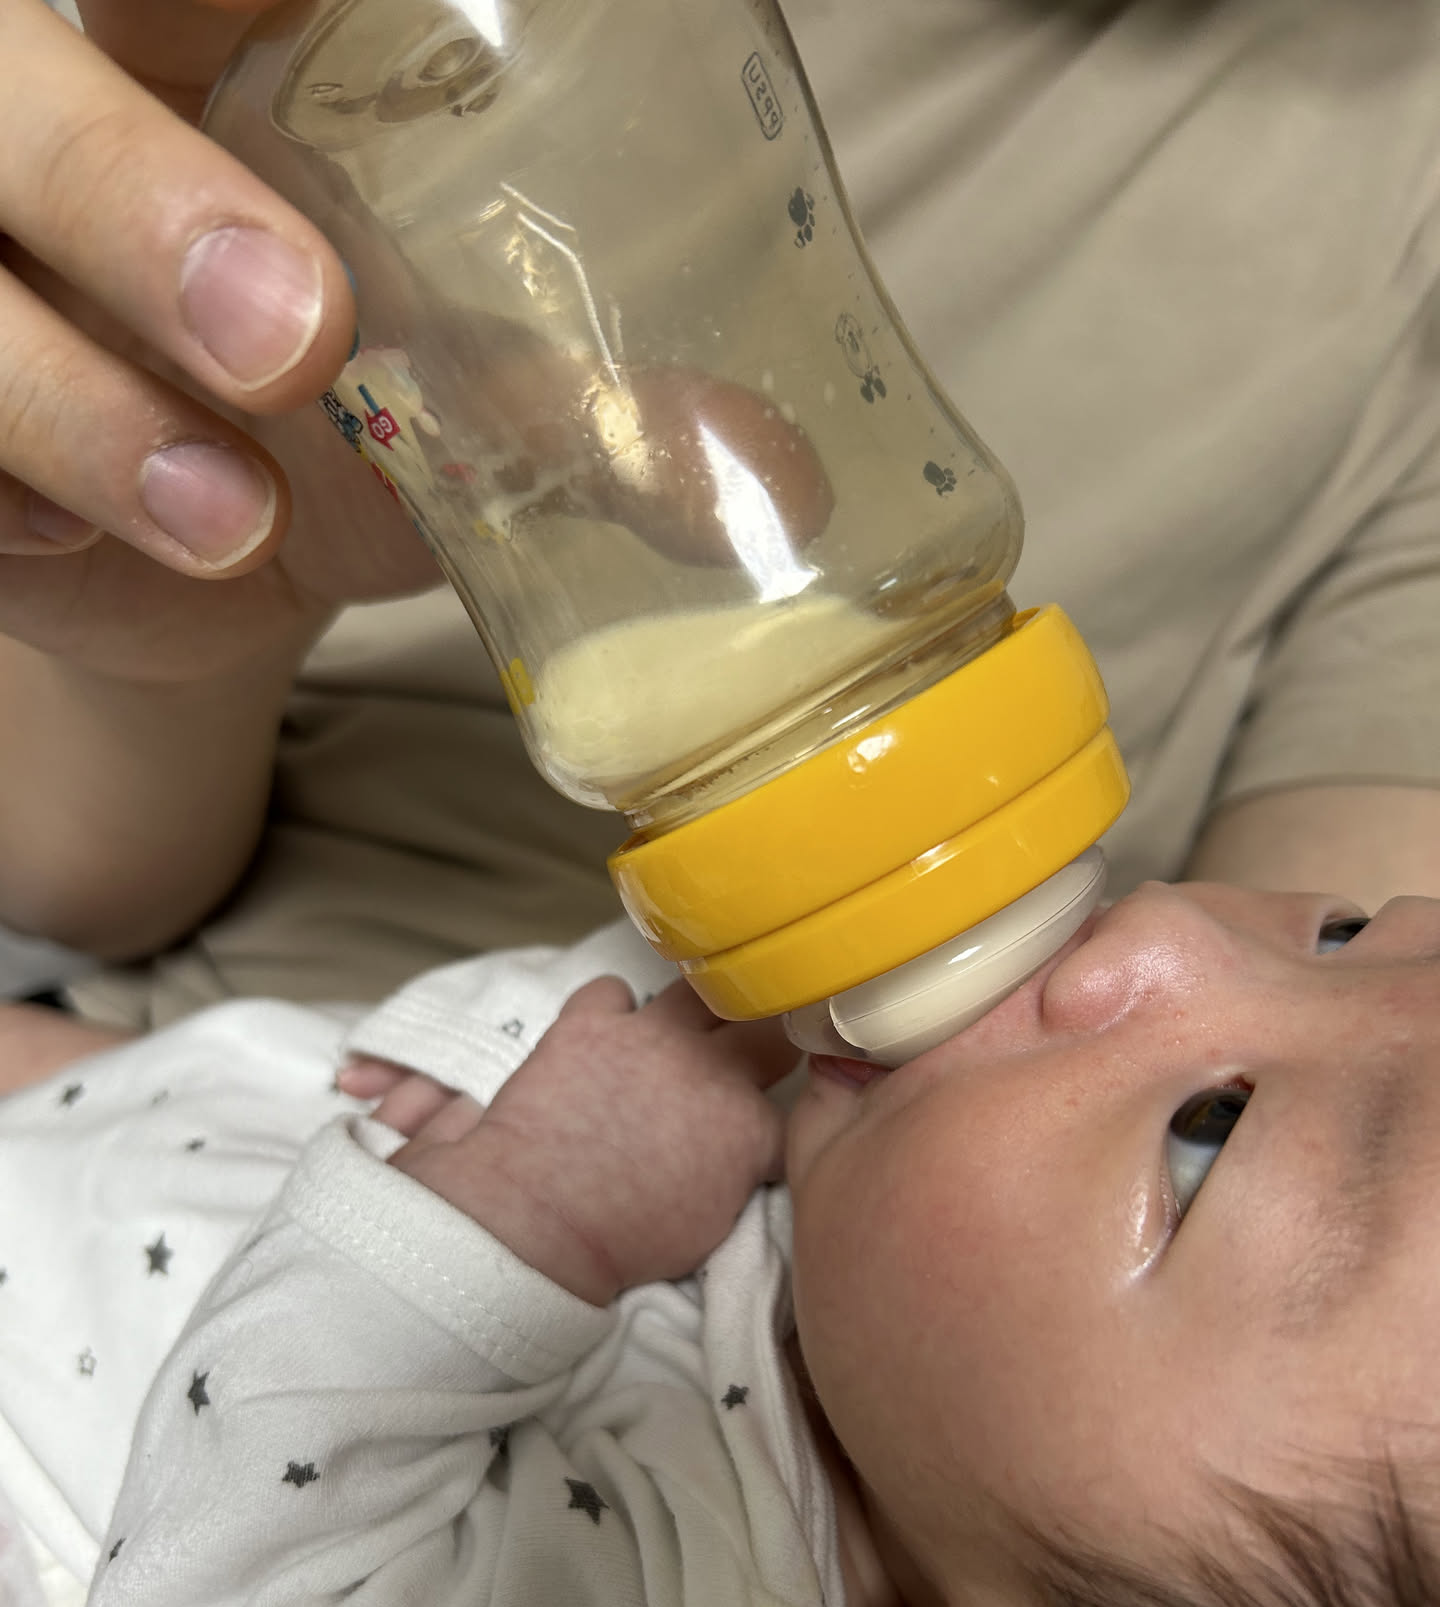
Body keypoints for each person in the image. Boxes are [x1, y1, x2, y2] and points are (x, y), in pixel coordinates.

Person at [2, 0, 1440, 1041]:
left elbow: (1263, 1170)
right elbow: (79, 883)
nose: (1144, 976)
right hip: (156, 1050)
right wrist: (179, 632)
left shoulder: (1401, 236)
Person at [0, 879, 1413, 1607]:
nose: (1162, 925)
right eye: (1348, 936)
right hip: (155, 1125)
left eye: (1209, 1138)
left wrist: (533, 1209)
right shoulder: (909, 1300)